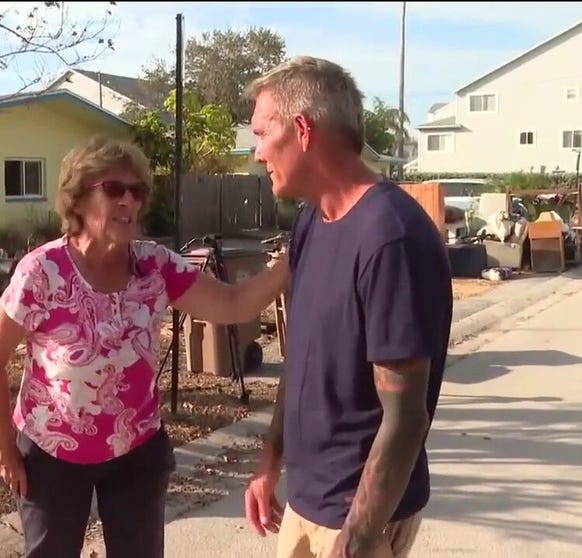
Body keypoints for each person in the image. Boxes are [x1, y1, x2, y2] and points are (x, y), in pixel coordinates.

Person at [0, 135, 290, 558]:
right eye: (113, 189)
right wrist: (3, 446)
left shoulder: (155, 266)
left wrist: (291, 262)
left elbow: (233, 304)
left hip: (136, 451)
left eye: (137, 191)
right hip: (51, 452)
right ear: (79, 199)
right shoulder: (42, 272)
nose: (129, 200)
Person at [241, 56, 453, 558]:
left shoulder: (390, 238)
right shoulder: (313, 222)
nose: (256, 153)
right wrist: (271, 457)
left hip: (357, 519)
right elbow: (303, 353)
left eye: (261, 133)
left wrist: (356, 542)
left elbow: (405, 419)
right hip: (307, 501)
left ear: (302, 129)